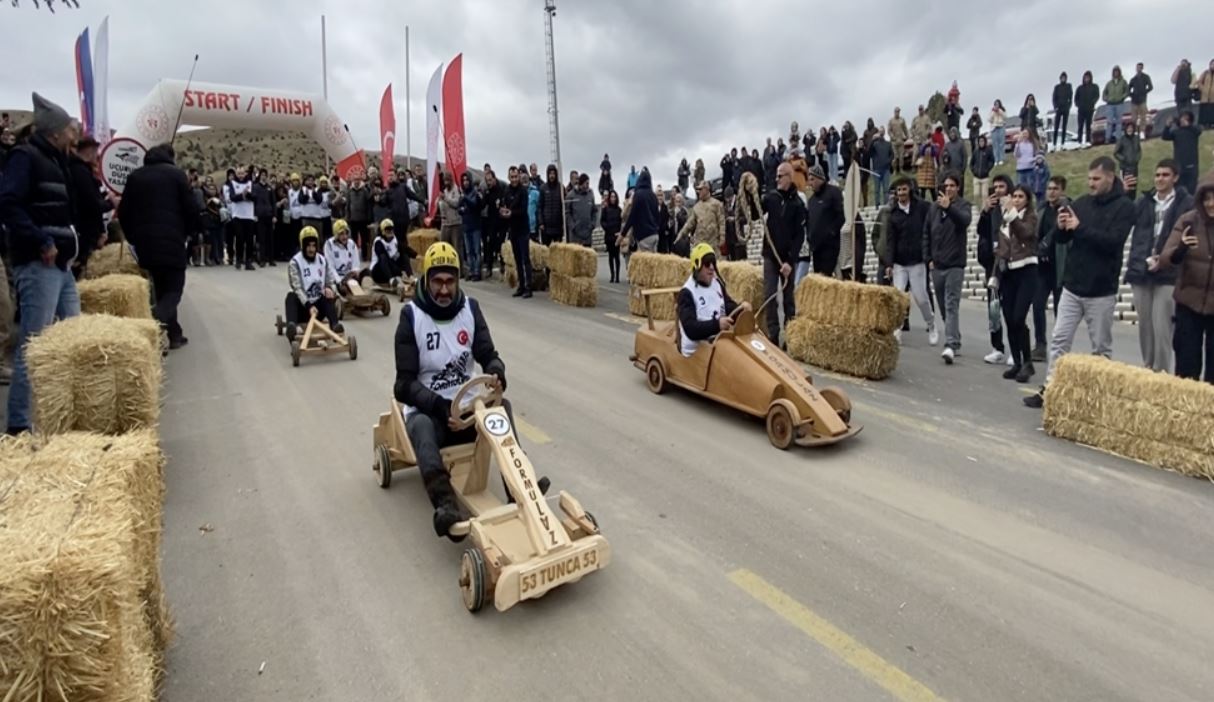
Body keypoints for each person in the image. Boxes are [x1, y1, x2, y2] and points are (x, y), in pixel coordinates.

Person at [394, 242, 545, 539]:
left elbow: (488, 353)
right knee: (421, 424)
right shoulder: (411, 317)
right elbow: (403, 385)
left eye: (450, 281)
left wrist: (497, 372)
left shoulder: (469, 309)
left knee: (503, 408)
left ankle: (520, 489)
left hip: (468, 409)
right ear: (426, 280)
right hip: (434, 413)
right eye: (437, 281)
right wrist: (438, 406)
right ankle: (445, 504)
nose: (444, 290)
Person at [0, 94, 82, 433]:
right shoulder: (26, 157)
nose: (74, 133)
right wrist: (41, 240)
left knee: (75, 332)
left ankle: (64, 410)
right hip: (38, 264)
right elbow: (8, 203)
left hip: (60, 266)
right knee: (34, 345)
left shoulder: (56, 159)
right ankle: (19, 424)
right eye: (68, 128)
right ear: (54, 132)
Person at [1025, 157, 1135, 408]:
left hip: (1101, 289)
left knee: (1101, 347)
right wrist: (1064, 229)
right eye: (1089, 179)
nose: (1091, 184)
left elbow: (1113, 242)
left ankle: (1100, 396)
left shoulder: (1125, 207)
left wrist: (1079, 228)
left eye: (1096, 179)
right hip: (1073, 285)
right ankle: (1050, 388)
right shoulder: (1082, 204)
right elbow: (1064, 241)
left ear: (1110, 177)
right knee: (1059, 340)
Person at [118, 142, 199, 351]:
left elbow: (124, 212)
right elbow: (191, 208)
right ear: (170, 156)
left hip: (144, 243)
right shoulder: (177, 175)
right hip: (172, 240)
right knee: (174, 289)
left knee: (161, 289)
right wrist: (191, 232)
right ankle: (154, 322)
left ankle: (174, 334)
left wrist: (133, 238)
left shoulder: (135, 177)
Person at [1126, 160, 1195, 373]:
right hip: (1142, 268)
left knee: (1162, 325)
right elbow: (1125, 216)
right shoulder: (1145, 201)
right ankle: (1148, 367)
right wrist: (1126, 194)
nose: (1160, 179)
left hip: (1169, 272)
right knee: (1145, 326)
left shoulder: (1186, 202)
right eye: (1157, 175)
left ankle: (1162, 371)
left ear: (1175, 178)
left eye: (1165, 175)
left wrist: (1165, 258)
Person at [1154, 177, 1214, 382]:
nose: (1211, 203)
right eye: (1206, 198)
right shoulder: (1189, 220)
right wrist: (1181, 248)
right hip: (1189, 301)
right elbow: (1165, 259)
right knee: (1187, 366)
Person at [994, 186, 1040, 383]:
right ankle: (1018, 362)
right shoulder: (1006, 218)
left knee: (1019, 317)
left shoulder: (1030, 218)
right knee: (1009, 318)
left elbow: (1025, 234)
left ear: (1027, 200)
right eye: (1014, 196)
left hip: (1027, 270)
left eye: (1021, 197)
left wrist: (1012, 214)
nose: (1017, 199)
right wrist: (994, 275)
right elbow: (1002, 249)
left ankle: (1028, 362)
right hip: (1008, 272)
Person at [885, 177, 936, 347]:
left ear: (910, 190)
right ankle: (897, 329)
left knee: (921, 297)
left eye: (904, 190)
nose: (901, 194)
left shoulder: (922, 207)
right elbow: (890, 240)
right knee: (899, 297)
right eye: (898, 191)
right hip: (900, 262)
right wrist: (889, 264)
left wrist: (928, 253)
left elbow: (931, 224)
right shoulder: (893, 214)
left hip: (917, 261)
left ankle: (931, 324)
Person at [759, 162, 806, 345]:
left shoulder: (798, 204)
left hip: (787, 258)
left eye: (780, 176)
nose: (777, 179)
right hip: (771, 255)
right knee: (769, 294)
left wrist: (789, 261)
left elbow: (799, 236)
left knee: (788, 299)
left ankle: (790, 335)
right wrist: (750, 194)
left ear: (789, 177)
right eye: (776, 176)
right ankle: (773, 333)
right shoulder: (771, 197)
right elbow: (756, 212)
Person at [926, 173, 971, 362]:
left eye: (952, 185)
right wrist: (928, 257)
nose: (949, 188)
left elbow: (964, 221)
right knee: (943, 306)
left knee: (952, 304)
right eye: (946, 185)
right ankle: (955, 337)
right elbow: (927, 233)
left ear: (958, 188)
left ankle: (950, 343)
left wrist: (949, 208)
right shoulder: (934, 209)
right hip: (937, 264)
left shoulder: (962, 206)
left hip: (955, 264)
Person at [677, 243, 749, 357]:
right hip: (697, 353)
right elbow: (690, 328)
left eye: (713, 263)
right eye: (706, 263)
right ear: (697, 266)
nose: (711, 267)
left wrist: (741, 310)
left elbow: (727, 305)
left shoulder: (716, 283)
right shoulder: (686, 293)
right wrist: (717, 325)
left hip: (718, 344)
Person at [978, 175, 1014, 365]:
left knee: (1010, 310)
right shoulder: (991, 210)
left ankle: (1015, 349)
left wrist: (1010, 209)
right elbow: (980, 231)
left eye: (1002, 186)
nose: (999, 190)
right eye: (996, 186)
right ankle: (997, 347)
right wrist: (985, 211)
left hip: (1009, 263)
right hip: (992, 264)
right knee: (993, 308)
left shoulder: (1014, 208)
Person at [1033, 175, 1070, 360]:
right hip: (1042, 266)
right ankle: (1040, 345)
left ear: (1062, 191)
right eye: (1049, 189)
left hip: (1061, 267)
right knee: (1038, 304)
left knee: (1059, 309)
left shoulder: (1068, 210)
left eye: (1055, 189)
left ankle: (1060, 348)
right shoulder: (1042, 210)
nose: (1051, 192)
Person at [284, 226, 341, 342]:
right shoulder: (295, 262)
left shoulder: (322, 260)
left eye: (314, 246)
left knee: (328, 296)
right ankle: (292, 326)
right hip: (303, 308)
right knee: (291, 297)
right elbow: (297, 287)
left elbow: (331, 280)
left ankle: (335, 325)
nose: (311, 249)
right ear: (303, 246)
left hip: (318, 309)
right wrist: (308, 306)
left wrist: (331, 289)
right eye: (308, 246)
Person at [67, 134, 111, 278]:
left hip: (87, 231)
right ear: (89, 150)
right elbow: (90, 204)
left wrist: (101, 230)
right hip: (83, 232)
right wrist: (111, 203)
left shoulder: (82, 170)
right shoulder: (80, 171)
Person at [805, 164, 844, 276]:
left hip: (830, 246)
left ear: (820, 178)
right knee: (819, 278)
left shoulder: (833, 192)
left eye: (812, 179)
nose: (810, 183)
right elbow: (809, 220)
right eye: (809, 180)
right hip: (816, 247)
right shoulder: (811, 200)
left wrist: (831, 232)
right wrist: (809, 237)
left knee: (826, 276)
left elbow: (841, 215)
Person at [502, 166, 532, 299]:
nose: (514, 179)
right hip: (512, 229)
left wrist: (511, 213)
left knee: (525, 259)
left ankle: (528, 287)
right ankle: (521, 285)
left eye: (516, 177)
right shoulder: (507, 190)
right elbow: (505, 205)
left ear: (519, 177)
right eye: (512, 177)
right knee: (517, 259)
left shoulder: (523, 191)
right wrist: (503, 212)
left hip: (523, 229)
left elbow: (524, 210)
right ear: (509, 177)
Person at [677, 181, 726, 253]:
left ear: (706, 189)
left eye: (700, 189)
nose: (698, 192)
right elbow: (689, 223)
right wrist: (681, 235)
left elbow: (722, 222)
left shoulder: (717, 204)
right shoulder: (696, 207)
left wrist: (722, 237)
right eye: (698, 190)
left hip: (713, 243)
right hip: (700, 242)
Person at [1163, 111, 1204, 196]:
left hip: (1192, 165)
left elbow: (1199, 130)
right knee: (1179, 190)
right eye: (1182, 117)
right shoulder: (1176, 132)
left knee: (1192, 190)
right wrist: (1167, 126)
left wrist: (1188, 126)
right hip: (1179, 165)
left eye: (1186, 118)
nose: (1183, 120)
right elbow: (1165, 136)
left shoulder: (1193, 131)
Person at [621, 169, 660, 252]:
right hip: (655, 234)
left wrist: (622, 234)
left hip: (644, 235)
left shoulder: (638, 195)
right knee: (653, 261)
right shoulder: (653, 196)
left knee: (645, 262)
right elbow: (657, 216)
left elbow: (632, 216)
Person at [226, 165, 256, 270]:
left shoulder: (250, 183)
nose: (240, 176)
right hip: (237, 215)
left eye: (242, 173)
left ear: (245, 174)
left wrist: (247, 195)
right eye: (238, 174)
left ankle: (248, 261)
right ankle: (238, 259)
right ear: (236, 174)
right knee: (239, 238)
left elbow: (255, 197)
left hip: (249, 216)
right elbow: (232, 197)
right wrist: (242, 196)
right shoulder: (232, 184)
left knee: (249, 240)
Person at [324, 219, 362, 295]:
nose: (345, 236)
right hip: (338, 279)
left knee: (367, 273)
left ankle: (365, 295)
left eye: (346, 233)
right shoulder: (329, 245)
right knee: (343, 289)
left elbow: (356, 264)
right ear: (336, 234)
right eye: (341, 234)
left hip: (350, 276)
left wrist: (354, 273)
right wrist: (339, 281)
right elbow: (330, 268)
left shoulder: (352, 244)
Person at [438, 172, 465, 277]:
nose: (446, 182)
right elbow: (441, 204)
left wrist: (445, 198)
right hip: (445, 223)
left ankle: (460, 271)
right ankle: (446, 268)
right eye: (445, 181)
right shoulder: (444, 191)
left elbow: (456, 204)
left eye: (448, 180)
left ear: (451, 180)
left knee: (456, 248)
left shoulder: (456, 190)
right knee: (444, 247)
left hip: (455, 223)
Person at [370, 218, 411, 285]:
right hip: (378, 271)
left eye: (391, 229)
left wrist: (417, 255)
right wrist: (399, 271)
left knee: (404, 255)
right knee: (383, 257)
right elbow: (385, 258)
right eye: (388, 229)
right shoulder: (378, 242)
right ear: (383, 231)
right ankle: (391, 279)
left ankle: (411, 276)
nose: (390, 231)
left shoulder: (395, 239)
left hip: (391, 268)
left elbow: (405, 248)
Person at [458, 173, 483, 281]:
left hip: (475, 225)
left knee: (476, 250)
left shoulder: (474, 193)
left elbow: (475, 205)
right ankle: (471, 271)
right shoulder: (463, 194)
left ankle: (477, 272)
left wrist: (465, 199)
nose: (465, 182)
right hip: (466, 225)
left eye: (467, 180)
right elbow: (459, 208)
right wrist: (462, 209)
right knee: (468, 251)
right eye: (463, 181)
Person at [565, 173, 597, 248]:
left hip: (587, 234)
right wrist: (573, 226)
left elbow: (594, 211)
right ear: (581, 183)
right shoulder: (571, 195)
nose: (588, 185)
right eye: (586, 183)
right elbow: (567, 213)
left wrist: (592, 224)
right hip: (576, 236)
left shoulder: (590, 194)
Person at [1114, 121, 1142, 199]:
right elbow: (1116, 153)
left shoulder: (1136, 138)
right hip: (1125, 168)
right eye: (1128, 128)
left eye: (1131, 128)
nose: (1130, 130)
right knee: (1126, 187)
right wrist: (1123, 159)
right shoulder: (1122, 139)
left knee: (1134, 186)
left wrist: (1137, 158)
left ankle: (1133, 202)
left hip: (1134, 167)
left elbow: (1139, 150)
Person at [1103, 66, 1130, 143]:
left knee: (1119, 122)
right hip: (1110, 105)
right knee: (1109, 122)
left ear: (1119, 72)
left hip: (1119, 104)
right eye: (1114, 71)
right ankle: (1107, 138)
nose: (1116, 73)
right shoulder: (1109, 83)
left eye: (1117, 71)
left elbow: (1127, 91)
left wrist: (1122, 97)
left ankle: (1118, 138)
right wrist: (1106, 99)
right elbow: (1104, 93)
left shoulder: (1123, 82)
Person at [601, 190, 623, 283]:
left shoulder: (619, 210)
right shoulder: (605, 210)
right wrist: (607, 227)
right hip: (609, 235)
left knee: (617, 256)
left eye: (614, 197)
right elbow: (602, 221)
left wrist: (620, 231)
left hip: (616, 235)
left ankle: (617, 276)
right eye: (611, 197)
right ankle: (612, 275)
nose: (613, 198)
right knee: (611, 256)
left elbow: (622, 222)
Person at [1129, 62, 1154, 135]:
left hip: (1142, 100)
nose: (1138, 69)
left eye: (1140, 67)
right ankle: (1135, 131)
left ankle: (1142, 132)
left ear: (1142, 68)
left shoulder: (1146, 77)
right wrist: (1131, 95)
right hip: (1134, 101)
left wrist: (1144, 92)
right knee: (1134, 118)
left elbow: (1150, 87)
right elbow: (1129, 88)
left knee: (1143, 117)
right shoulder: (1133, 79)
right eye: (1137, 67)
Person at [1074, 71, 1099, 145]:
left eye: (1088, 77)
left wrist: (1092, 103)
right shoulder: (1080, 88)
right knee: (1080, 126)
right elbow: (1076, 98)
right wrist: (1078, 104)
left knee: (1088, 126)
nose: (1086, 79)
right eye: (1085, 77)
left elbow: (1097, 95)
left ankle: (1088, 140)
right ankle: (1079, 141)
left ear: (1090, 78)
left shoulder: (1094, 86)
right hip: (1081, 110)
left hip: (1089, 109)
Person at [941, 127, 967, 196]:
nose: (952, 134)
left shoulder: (961, 144)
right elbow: (942, 156)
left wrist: (963, 170)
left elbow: (965, 157)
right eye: (951, 133)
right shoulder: (947, 145)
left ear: (956, 134)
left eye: (954, 133)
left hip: (959, 171)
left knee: (959, 190)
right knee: (950, 189)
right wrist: (944, 165)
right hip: (949, 171)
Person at [870, 128, 893, 203]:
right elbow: (869, 152)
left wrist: (888, 161)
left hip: (886, 169)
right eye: (880, 132)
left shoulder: (888, 144)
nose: (881, 133)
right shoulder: (875, 144)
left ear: (884, 133)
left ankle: (886, 204)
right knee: (877, 190)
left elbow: (892, 154)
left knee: (886, 189)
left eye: (882, 131)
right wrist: (873, 139)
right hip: (877, 169)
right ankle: (877, 205)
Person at [1050, 73, 1073, 148]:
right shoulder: (1057, 87)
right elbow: (1054, 98)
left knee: (1064, 126)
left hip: (1065, 108)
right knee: (1056, 127)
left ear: (1066, 78)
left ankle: (1063, 144)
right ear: (1060, 78)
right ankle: (1054, 144)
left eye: (1064, 78)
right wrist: (1055, 107)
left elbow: (1071, 97)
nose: (1063, 79)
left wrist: (1069, 106)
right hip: (1058, 108)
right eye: (1062, 78)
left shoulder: (1069, 86)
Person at [970, 135, 995, 203]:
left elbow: (992, 161)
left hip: (985, 177)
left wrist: (987, 169)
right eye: (980, 141)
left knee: (985, 195)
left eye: (982, 141)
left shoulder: (988, 150)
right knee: (976, 194)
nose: (981, 143)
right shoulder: (975, 152)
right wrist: (973, 170)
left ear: (985, 142)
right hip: (976, 177)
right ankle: (977, 209)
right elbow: (971, 163)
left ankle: (984, 210)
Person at [989, 100, 1008, 166]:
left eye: (997, 104)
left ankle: (1001, 159)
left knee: (1001, 144)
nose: (996, 106)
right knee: (995, 145)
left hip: (1001, 127)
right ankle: (996, 160)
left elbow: (1005, 117)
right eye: (995, 104)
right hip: (994, 128)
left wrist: (999, 111)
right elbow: (989, 120)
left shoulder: (1002, 110)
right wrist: (993, 112)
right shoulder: (992, 111)